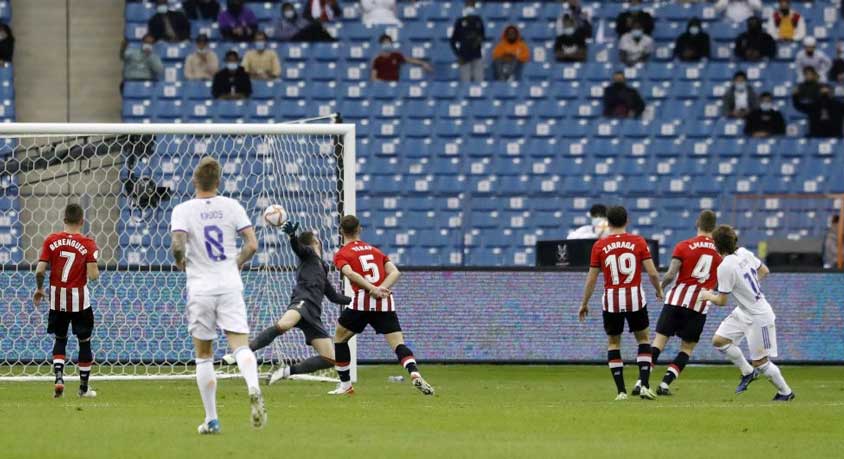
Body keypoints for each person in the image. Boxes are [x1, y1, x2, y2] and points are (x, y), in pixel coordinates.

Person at [170, 157, 266, 433]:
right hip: (229, 284)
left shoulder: (183, 209)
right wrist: (236, 262)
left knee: (204, 355)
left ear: (194, 181)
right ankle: (253, 386)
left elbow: (178, 244)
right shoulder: (232, 206)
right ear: (219, 182)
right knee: (240, 345)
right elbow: (252, 244)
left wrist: (180, 259)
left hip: (201, 287)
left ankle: (212, 419)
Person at [222, 222, 351, 384]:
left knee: (329, 358)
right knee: (283, 325)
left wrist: (358, 299)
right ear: (316, 242)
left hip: (313, 313)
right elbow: (299, 249)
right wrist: (292, 237)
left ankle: (286, 371)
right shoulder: (309, 255)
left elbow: (334, 297)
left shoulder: (322, 266)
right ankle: (241, 352)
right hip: (303, 301)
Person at [329, 215, 435, 396]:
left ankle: (346, 386)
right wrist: (380, 289)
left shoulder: (342, 254)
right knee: (398, 345)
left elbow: (351, 274)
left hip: (362, 301)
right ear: (359, 229)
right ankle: (414, 373)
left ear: (341, 231)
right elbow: (395, 272)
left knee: (339, 338)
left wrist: (371, 289)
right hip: (384, 301)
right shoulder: (375, 251)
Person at [699, 225, 795, 401]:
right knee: (719, 341)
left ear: (717, 246)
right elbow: (764, 270)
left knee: (761, 362)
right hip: (744, 310)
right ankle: (747, 372)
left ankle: (785, 392)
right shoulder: (744, 252)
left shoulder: (725, 267)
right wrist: (747, 287)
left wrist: (707, 295)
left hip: (759, 316)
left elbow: (721, 301)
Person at [578, 206, 664, 401]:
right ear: (627, 220)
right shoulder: (638, 242)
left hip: (611, 300)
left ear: (607, 223)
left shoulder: (599, 246)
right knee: (643, 340)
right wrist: (659, 290)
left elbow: (591, 278)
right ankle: (644, 385)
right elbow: (651, 272)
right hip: (635, 297)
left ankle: (621, 391)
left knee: (614, 343)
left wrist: (584, 302)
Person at [632, 210, 720, 396]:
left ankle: (641, 382)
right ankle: (665, 384)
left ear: (697, 223)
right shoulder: (720, 252)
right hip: (699, 304)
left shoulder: (683, 246)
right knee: (686, 349)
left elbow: (671, 274)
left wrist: (660, 288)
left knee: (658, 343)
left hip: (676, 301)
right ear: (714, 227)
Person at [33, 204, 100, 399]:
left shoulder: (51, 240)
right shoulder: (88, 243)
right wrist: (93, 265)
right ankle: (83, 388)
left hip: (57, 300)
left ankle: (59, 379)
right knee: (84, 342)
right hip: (80, 301)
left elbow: (39, 270)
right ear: (82, 221)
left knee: (60, 339)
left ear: (64, 220)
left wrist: (39, 288)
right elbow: (94, 275)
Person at [450, 0, 486, 82]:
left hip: (477, 56)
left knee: (479, 84)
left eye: (472, 3)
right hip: (464, 57)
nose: (470, 5)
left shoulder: (478, 20)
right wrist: (458, 54)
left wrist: (478, 40)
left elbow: (483, 37)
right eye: (468, 3)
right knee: (465, 84)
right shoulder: (460, 21)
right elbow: (453, 40)